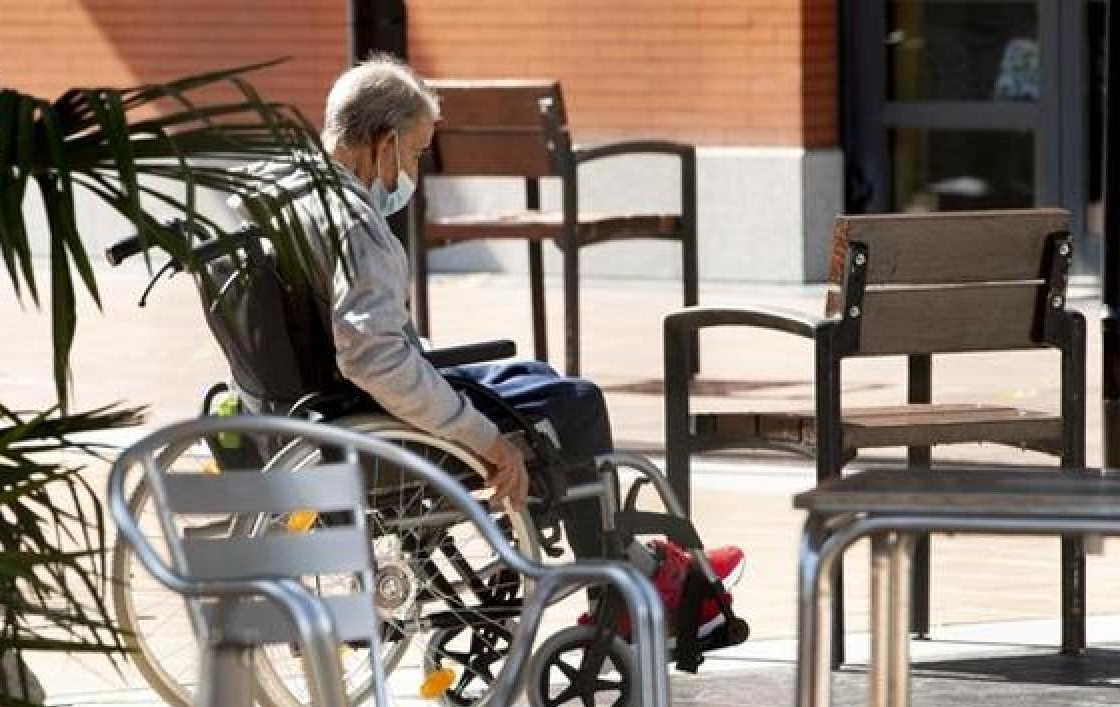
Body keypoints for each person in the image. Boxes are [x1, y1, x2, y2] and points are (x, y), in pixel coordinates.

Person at [232, 54, 743, 631]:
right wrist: (485, 439)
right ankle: (620, 582)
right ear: (383, 142)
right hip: (370, 421)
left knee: (537, 376)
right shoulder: (354, 222)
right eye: (417, 152)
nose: (414, 169)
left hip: (313, 410)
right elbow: (371, 356)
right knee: (575, 404)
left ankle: (630, 567)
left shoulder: (284, 194)